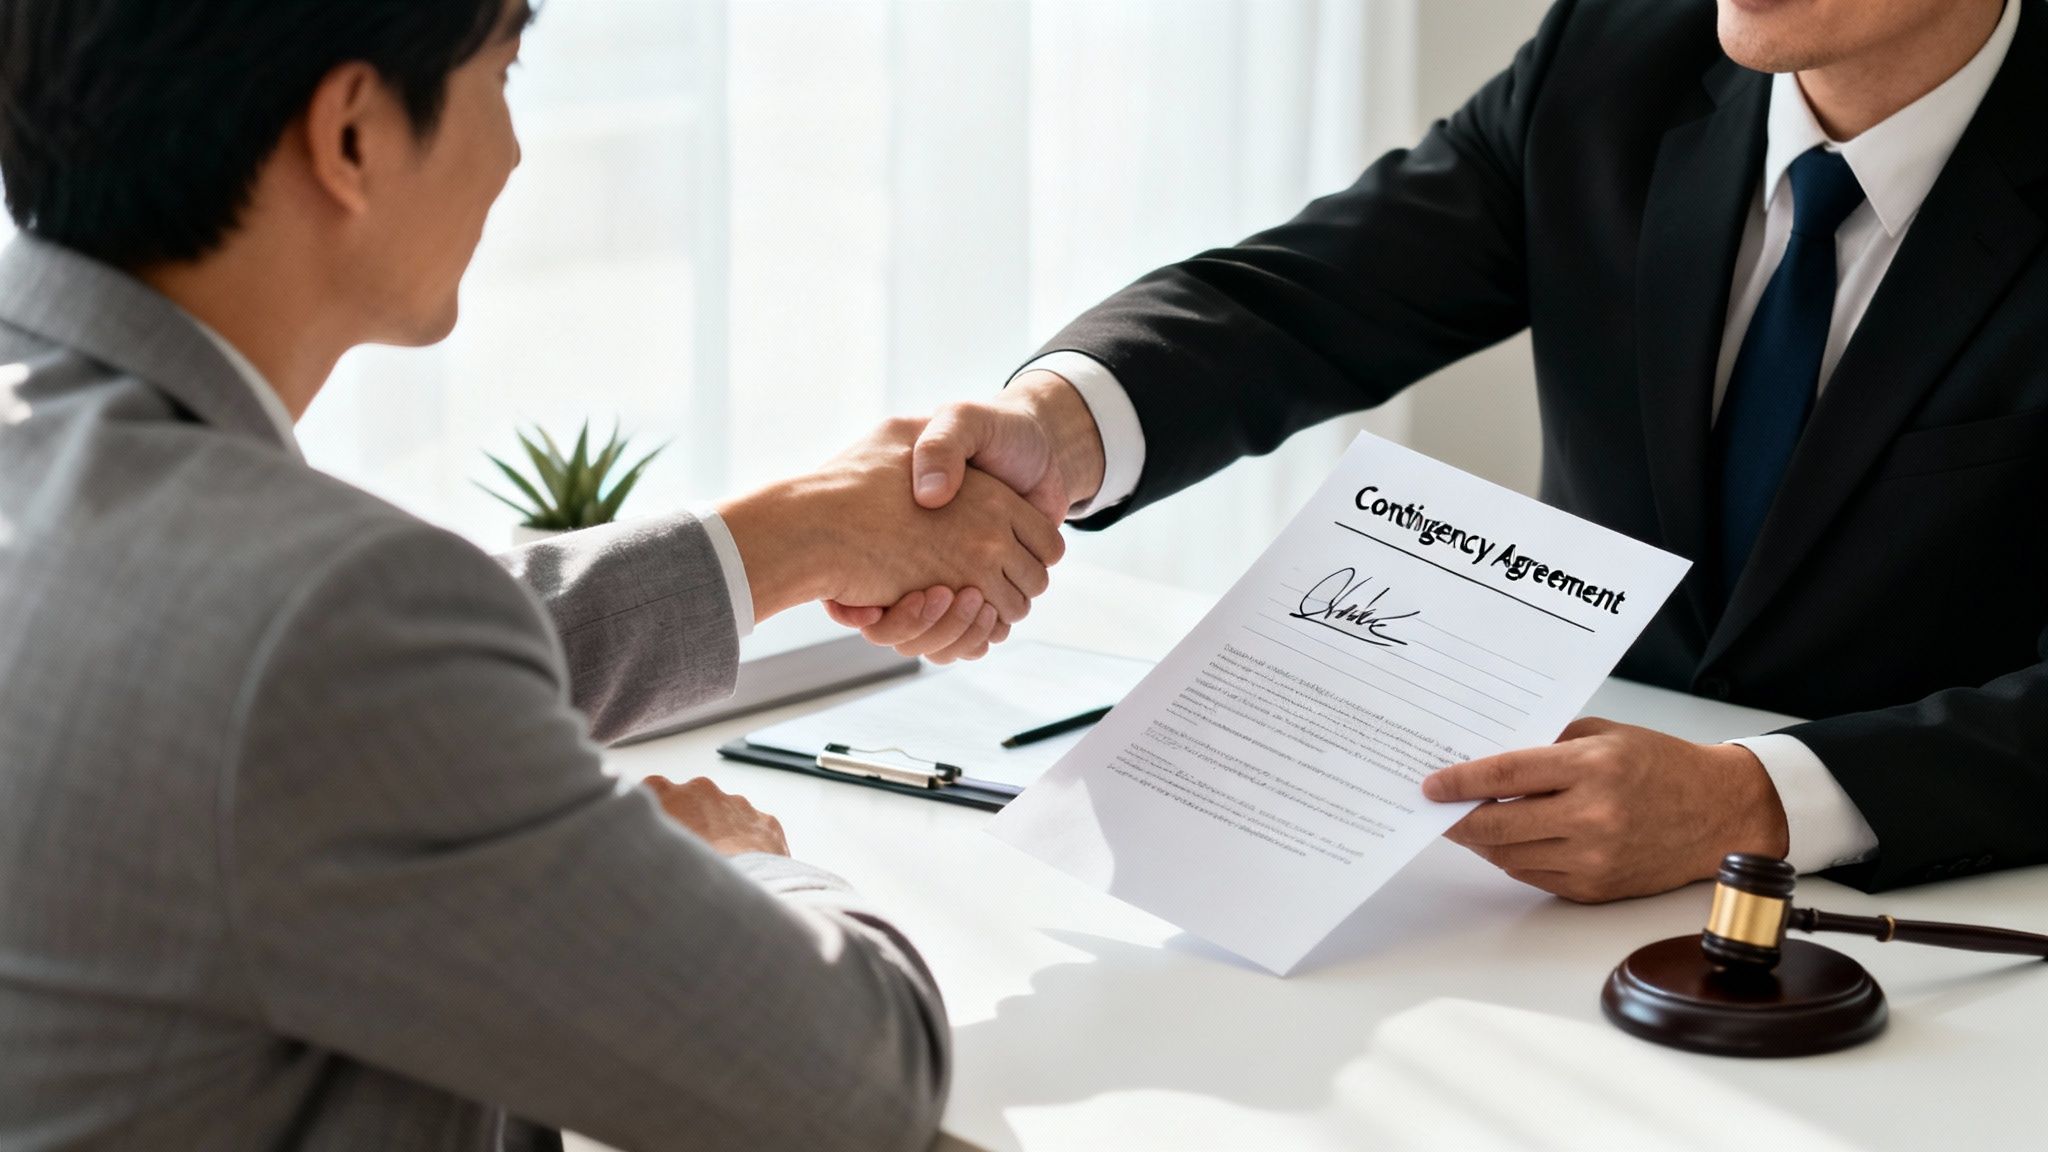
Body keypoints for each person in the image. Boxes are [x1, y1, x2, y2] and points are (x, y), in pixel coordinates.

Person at [0, 0, 1061, 1147]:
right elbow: (860, 1083)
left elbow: (306, 676)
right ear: (351, 134)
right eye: (503, 73)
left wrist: (791, 533)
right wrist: (745, 871)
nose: (511, 152)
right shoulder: (317, 631)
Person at [848, 0, 2047, 903]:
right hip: (1533, 876)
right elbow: (1318, 295)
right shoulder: (1617, 52)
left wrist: (1754, 800)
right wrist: (1056, 429)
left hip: (1937, 913)